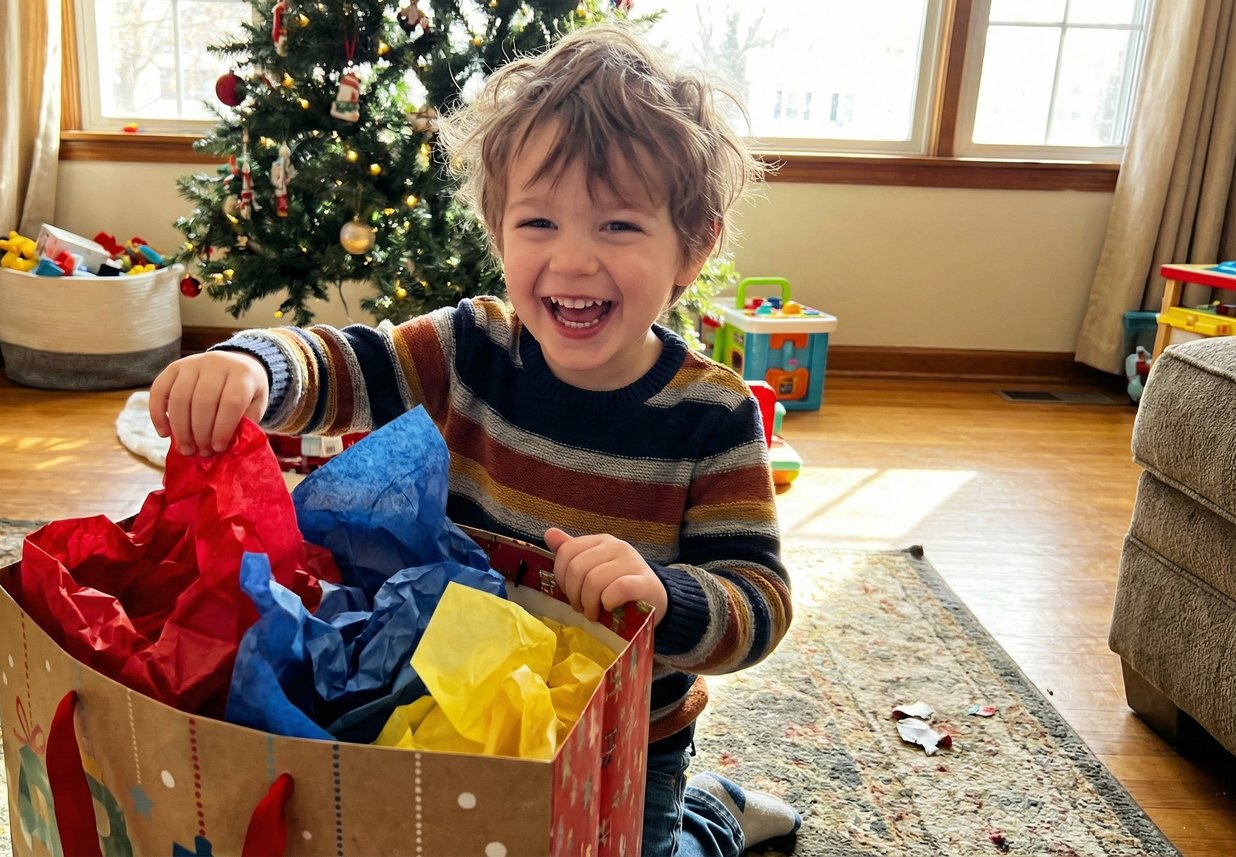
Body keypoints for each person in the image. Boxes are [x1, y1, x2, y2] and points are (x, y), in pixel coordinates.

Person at [149, 23, 800, 856]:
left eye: (619, 228)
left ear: (694, 245)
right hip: (454, 703)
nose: (572, 260)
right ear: (497, 228)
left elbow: (761, 599)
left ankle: (711, 818)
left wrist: (666, 596)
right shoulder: (469, 348)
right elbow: (352, 364)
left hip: (626, 742)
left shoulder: (711, 413)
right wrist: (257, 366)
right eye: (538, 222)